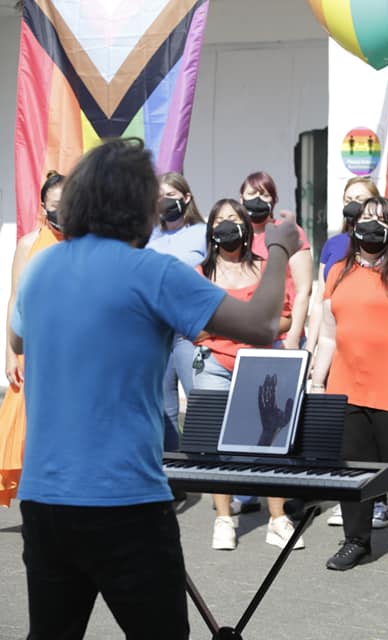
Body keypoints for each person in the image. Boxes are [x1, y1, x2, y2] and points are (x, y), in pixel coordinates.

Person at [8, 138, 299, 639]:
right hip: (124, 500)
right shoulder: (152, 273)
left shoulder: (40, 269)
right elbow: (263, 322)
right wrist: (277, 247)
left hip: (44, 499)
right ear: (140, 206)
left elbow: (16, 335)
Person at [312, 196, 388, 578]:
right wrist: (318, 379)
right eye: (365, 218)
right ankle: (356, 540)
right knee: (353, 469)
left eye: (380, 220)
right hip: (349, 387)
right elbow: (330, 335)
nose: (370, 226)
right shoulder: (340, 271)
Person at [192, 199, 302, 552]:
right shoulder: (200, 274)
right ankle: (224, 519)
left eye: (234, 219)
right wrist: (249, 324)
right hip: (214, 366)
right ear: (211, 230)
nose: (227, 225)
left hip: (260, 364)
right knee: (214, 444)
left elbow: (281, 320)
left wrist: (231, 326)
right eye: (220, 220)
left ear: (245, 226)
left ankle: (277, 518)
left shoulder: (265, 269)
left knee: (270, 441)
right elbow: (194, 329)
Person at [305, 177, 388, 530]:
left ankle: (380, 501)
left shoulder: (385, 244)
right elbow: (319, 296)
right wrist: (311, 346)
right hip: (334, 341)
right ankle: (351, 500)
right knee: (347, 432)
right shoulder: (334, 244)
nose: (354, 205)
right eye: (349, 199)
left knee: (376, 432)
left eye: (361, 198)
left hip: (372, 348)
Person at [1, 171, 65, 508]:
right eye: (55, 206)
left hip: (70, 349)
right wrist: (10, 354)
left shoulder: (85, 242)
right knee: (27, 428)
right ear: (43, 206)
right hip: (31, 346)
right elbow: (15, 299)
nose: (62, 213)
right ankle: (35, 499)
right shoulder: (29, 244)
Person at [146, 172, 207, 452]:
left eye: (170, 196)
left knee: (199, 400)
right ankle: (172, 478)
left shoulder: (202, 232)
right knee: (163, 405)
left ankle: (206, 466)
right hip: (156, 331)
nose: (164, 202)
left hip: (188, 330)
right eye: (159, 197)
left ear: (186, 198)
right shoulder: (150, 235)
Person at [240, 171, 313, 349]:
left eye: (264, 195)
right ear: (241, 198)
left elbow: (304, 290)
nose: (257, 199)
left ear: (274, 200)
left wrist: (293, 337)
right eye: (252, 194)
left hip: (281, 339)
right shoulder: (235, 235)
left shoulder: (288, 232)